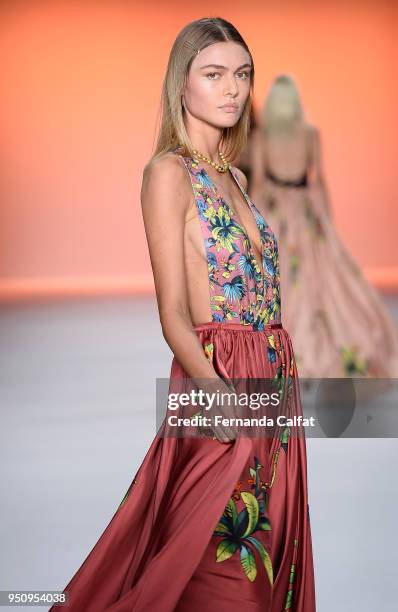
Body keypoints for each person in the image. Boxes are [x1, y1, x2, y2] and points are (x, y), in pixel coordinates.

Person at [49, 20, 316, 611]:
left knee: (263, 560)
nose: (233, 90)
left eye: (242, 75)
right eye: (214, 74)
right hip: (215, 377)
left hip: (272, 384)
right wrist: (213, 393)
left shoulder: (238, 179)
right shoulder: (167, 175)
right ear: (182, 85)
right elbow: (172, 311)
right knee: (216, 562)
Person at [249, 73, 398, 379]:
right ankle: (323, 351)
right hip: (307, 213)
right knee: (319, 281)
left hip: (278, 214)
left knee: (282, 283)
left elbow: (257, 184)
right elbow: (319, 179)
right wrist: (327, 222)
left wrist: (254, 228)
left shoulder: (262, 138)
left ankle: (280, 356)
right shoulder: (310, 134)